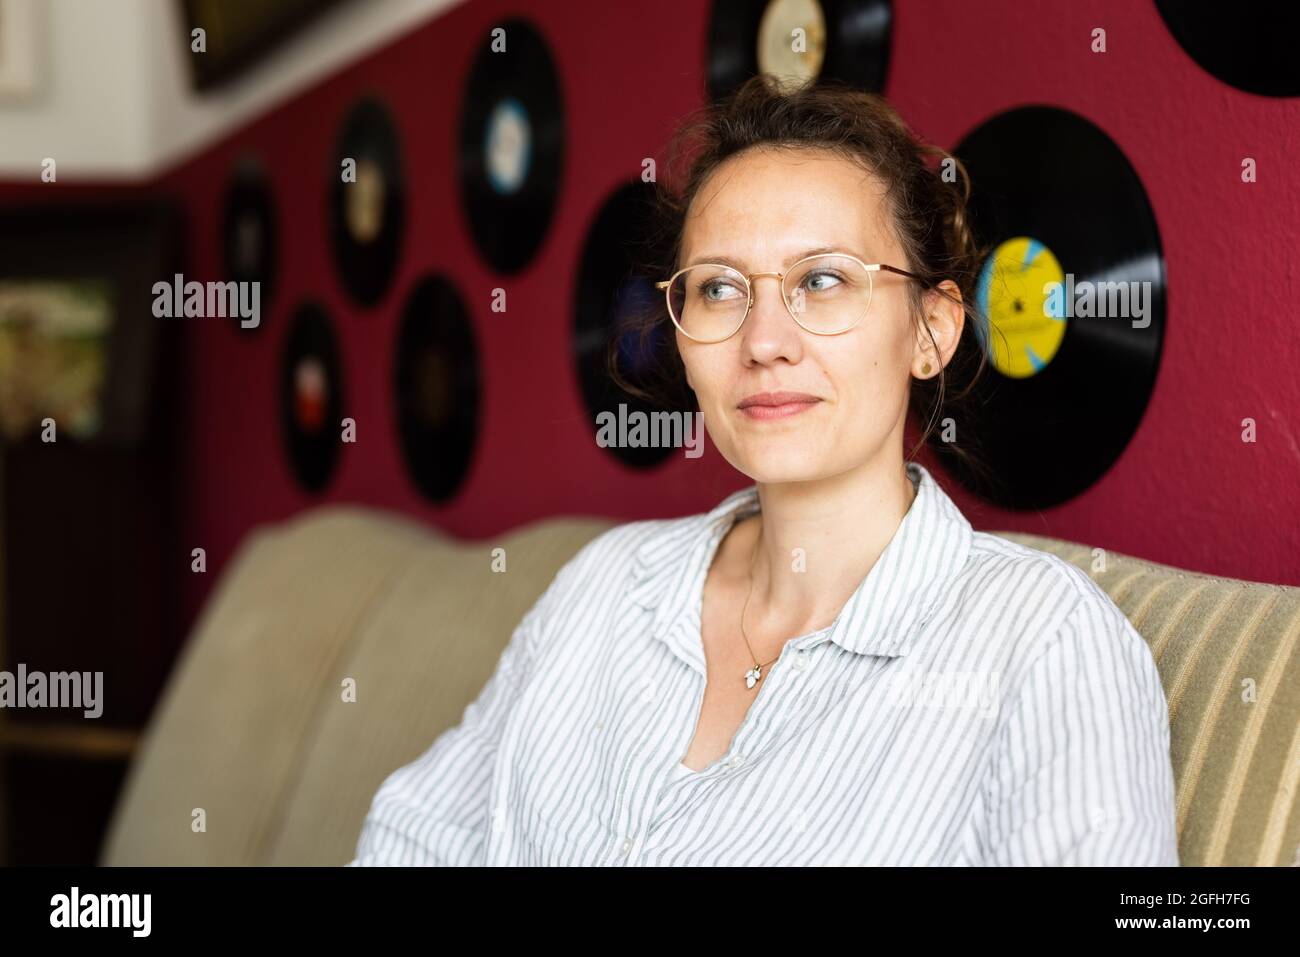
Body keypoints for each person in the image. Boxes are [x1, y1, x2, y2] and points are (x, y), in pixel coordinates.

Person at [349, 74, 1179, 866]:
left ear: (932, 330)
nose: (764, 339)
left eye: (822, 280)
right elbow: (415, 839)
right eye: (718, 289)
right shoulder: (602, 585)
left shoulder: (1042, 643)